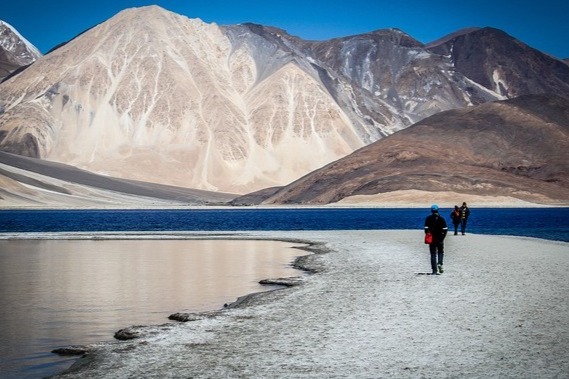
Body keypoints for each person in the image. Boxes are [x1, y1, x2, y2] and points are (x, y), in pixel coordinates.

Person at [424, 204, 448, 275]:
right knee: (440, 252)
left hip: (432, 239)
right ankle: (440, 263)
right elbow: (445, 230)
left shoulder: (428, 218)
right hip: (440, 239)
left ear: (431, 211)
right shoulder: (442, 219)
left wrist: (428, 235)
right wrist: (442, 238)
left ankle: (434, 271)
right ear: (438, 210)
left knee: (433, 254)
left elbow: (426, 229)